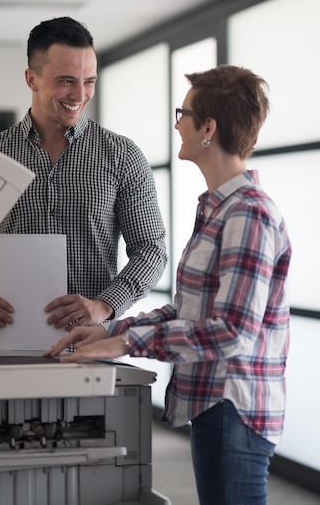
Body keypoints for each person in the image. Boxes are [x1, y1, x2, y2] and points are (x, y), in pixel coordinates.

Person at [46, 65, 292, 505]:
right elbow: (188, 311)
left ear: (208, 128)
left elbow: (232, 332)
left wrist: (128, 344)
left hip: (234, 407)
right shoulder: (217, 209)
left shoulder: (248, 214)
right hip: (212, 404)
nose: (177, 123)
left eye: (184, 113)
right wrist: (111, 331)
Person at [0, 16, 167, 348]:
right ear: (31, 79)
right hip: (9, 354)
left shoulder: (122, 156)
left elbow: (151, 250)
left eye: (89, 81)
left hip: (94, 353)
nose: (80, 94)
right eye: (66, 81)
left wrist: (104, 305)